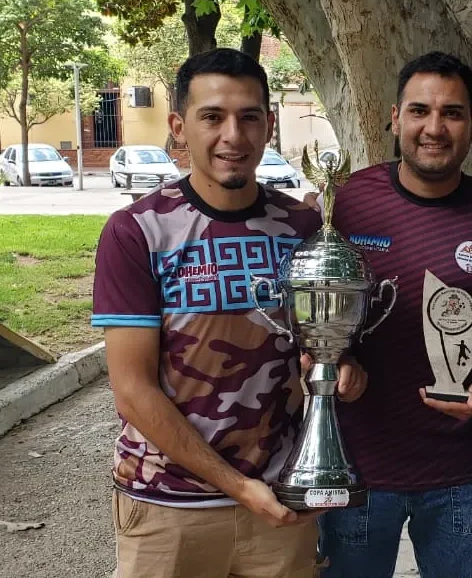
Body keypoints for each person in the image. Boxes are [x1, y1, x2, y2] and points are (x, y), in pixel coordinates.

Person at [92, 47, 366, 578]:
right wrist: (238, 486)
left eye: (248, 117)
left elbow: (320, 350)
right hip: (168, 507)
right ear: (179, 126)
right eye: (212, 117)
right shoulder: (139, 232)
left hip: (283, 503)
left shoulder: (306, 230)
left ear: (268, 126)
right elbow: (133, 389)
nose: (232, 137)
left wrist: (341, 371)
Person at [316, 51, 472, 578]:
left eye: (452, 113)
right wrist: (323, 363)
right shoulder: (343, 204)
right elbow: (312, 315)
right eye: (419, 111)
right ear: (395, 118)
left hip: (461, 475)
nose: (434, 128)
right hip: (353, 469)